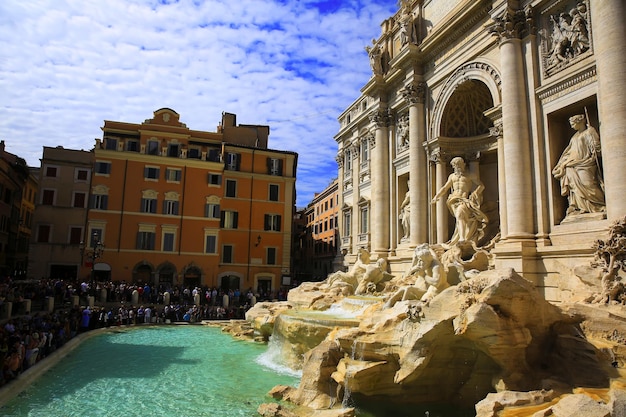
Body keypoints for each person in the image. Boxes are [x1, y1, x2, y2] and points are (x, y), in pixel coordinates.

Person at [552, 113, 605, 217]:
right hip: (572, 164)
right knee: (574, 187)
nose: (571, 126)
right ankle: (580, 207)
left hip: (586, 163)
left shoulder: (589, 131)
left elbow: (596, 147)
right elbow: (568, 152)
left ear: (580, 121)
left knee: (589, 184)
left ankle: (598, 205)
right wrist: (563, 163)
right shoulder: (574, 137)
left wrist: (595, 147)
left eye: (573, 123)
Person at [431, 157, 488, 245]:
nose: (458, 167)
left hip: (463, 200)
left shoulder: (470, 175)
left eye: (459, 165)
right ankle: (462, 237)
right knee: (459, 218)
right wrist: (436, 197)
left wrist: (475, 193)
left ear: (464, 165)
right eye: (456, 166)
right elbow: (445, 188)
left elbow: (481, 185)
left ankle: (462, 238)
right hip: (453, 200)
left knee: (460, 214)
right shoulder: (452, 176)